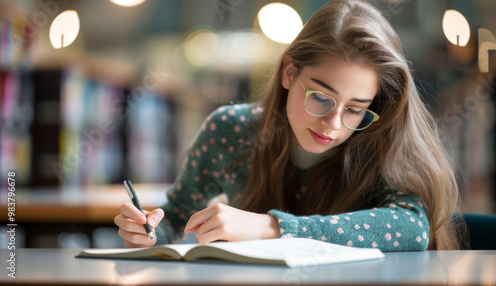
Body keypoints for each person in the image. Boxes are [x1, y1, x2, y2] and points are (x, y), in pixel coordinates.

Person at [114, 0, 463, 251]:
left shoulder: (377, 139)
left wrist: (272, 227)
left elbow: (411, 227)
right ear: (289, 73)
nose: (333, 123)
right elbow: (175, 217)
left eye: (355, 109)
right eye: (322, 98)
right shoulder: (229, 131)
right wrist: (147, 231)